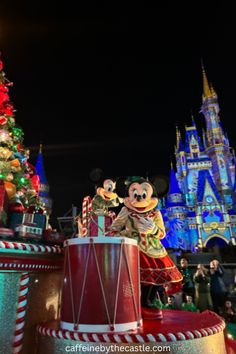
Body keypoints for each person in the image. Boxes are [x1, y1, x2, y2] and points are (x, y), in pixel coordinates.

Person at [110, 177, 182, 319]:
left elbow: (162, 233)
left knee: (158, 276)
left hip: (154, 250)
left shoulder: (155, 213)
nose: (139, 198)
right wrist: (126, 234)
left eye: (143, 195)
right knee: (135, 279)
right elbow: (114, 228)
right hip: (133, 249)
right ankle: (135, 304)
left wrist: (153, 229)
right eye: (135, 195)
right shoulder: (126, 211)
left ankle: (146, 302)